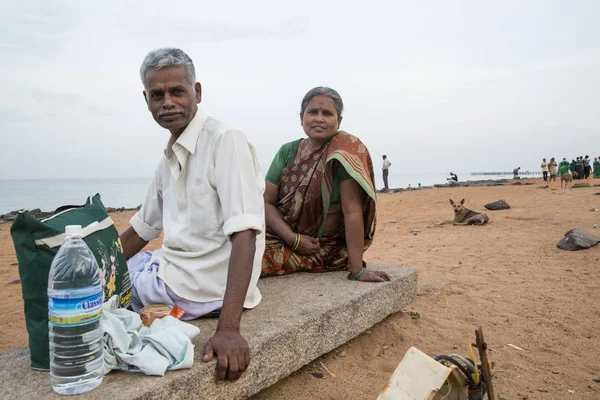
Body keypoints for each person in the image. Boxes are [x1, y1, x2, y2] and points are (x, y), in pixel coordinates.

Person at [119, 48, 265, 381]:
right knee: (111, 274)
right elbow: (141, 230)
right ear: (147, 101)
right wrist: (88, 269)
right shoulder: (167, 160)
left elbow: (245, 234)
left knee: (117, 286)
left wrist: (228, 328)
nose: (167, 101)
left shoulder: (224, 141)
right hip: (180, 274)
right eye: (157, 94)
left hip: (201, 288)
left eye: (177, 91)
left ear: (196, 92)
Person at [261, 87, 391, 283]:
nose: (319, 119)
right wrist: (293, 239)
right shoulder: (287, 151)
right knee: (229, 243)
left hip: (320, 248)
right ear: (301, 117)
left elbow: (352, 211)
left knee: (249, 259)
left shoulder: (344, 152)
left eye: (327, 113)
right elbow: (266, 202)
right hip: (281, 235)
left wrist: (358, 270)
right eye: (313, 112)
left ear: (338, 120)